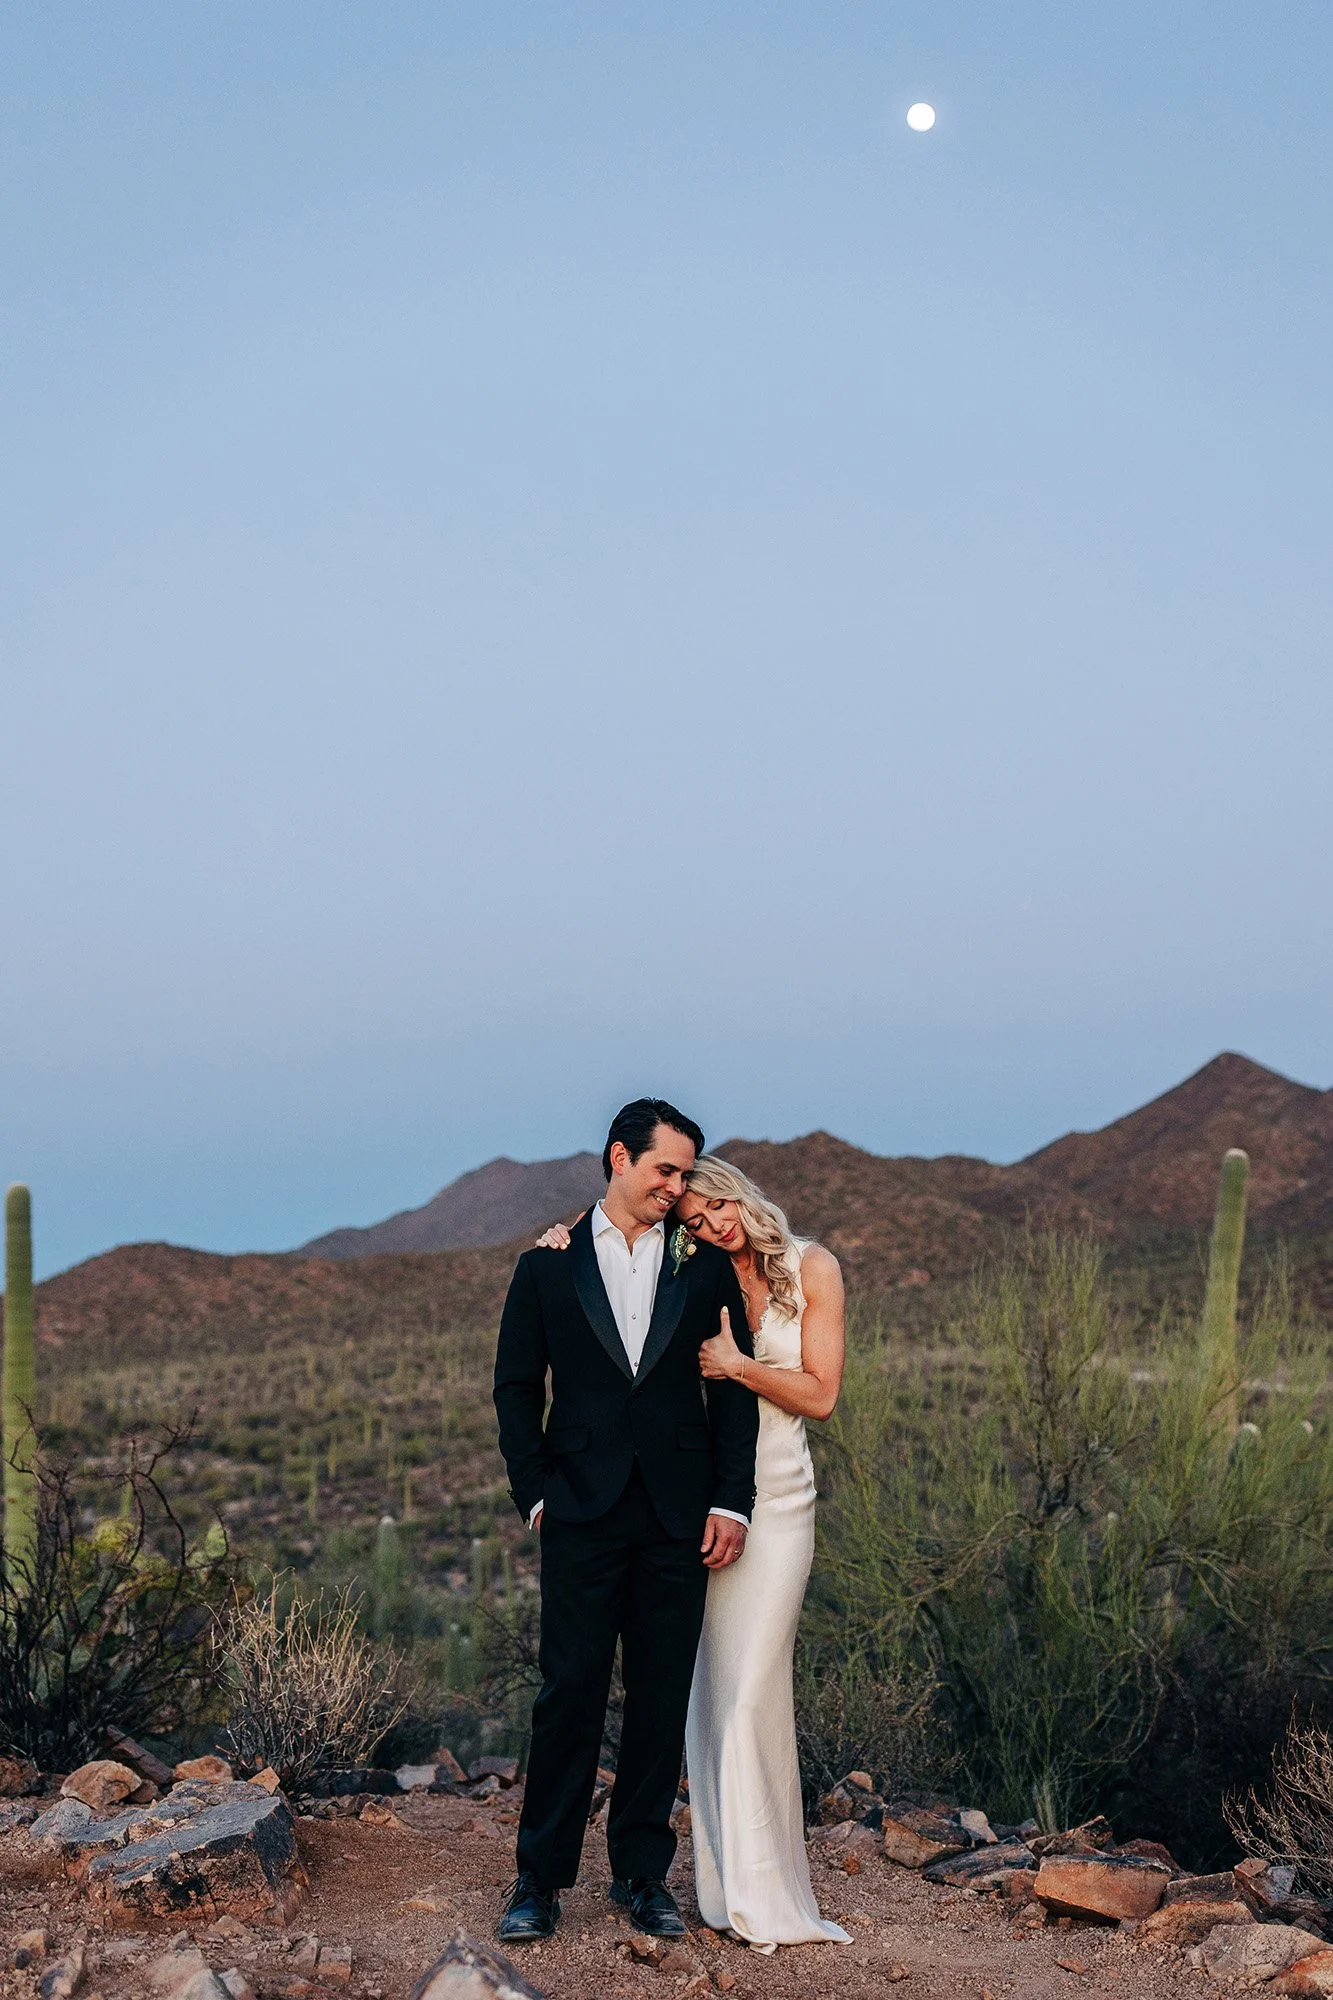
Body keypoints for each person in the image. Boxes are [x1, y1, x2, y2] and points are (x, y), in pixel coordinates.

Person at [536, 1153, 849, 1949]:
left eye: (716, 1204)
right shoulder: (696, 1272)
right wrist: (564, 1237)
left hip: (776, 1502)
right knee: (701, 1694)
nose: (710, 1221)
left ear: (739, 1194)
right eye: (693, 1216)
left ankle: (764, 1894)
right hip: (698, 1508)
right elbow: (618, 1248)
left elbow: (820, 1394)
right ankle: (719, 1886)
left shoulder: (811, 1266)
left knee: (747, 1690)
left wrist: (739, 1367)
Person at [492, 1100, 760, 1945]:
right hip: (578, 1509)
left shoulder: (704, 1265)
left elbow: (733, 1391)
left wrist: (731, 1499)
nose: (675, 1188)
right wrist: (533, 1490)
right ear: (619, 1158)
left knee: (657, 1699)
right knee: (567, 1693)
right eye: (665, 1171)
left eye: (684, 1174)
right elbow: (513, 1387)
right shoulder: (546, 1267)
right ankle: (538, 1881)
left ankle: (642, 1879)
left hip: (679, 1516)